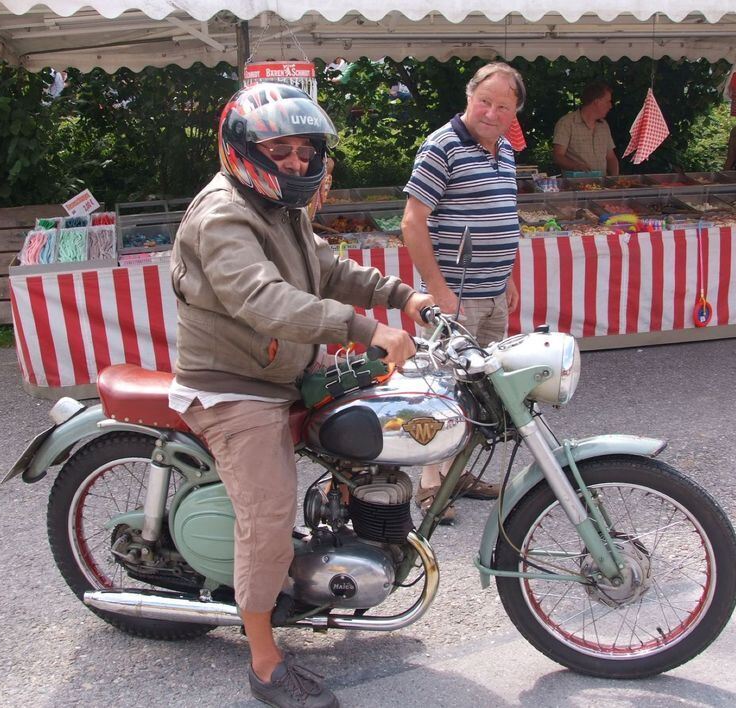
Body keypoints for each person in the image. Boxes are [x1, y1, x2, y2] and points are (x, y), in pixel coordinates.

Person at [168, 82, 433, 708]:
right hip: (235, 386)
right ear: (244, 151)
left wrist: (404, 296)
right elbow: (263, 300)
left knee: (373, 424)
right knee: (268, 520)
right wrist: (365, 328)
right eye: (279, 150)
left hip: (282, 366)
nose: (295, 162)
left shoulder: (279, 208)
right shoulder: (224, 215)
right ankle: (264, 663)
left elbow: (329, 269)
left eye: (305, 151)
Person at [401, 62, 523, 524]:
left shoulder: (506, 150)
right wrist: (438, 291)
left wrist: (509, 275)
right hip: (456, 296)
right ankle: (431, 484)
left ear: (514, 113)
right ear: (469, 97)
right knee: (445, 390)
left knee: (481, 392)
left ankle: (459, 473)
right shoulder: (442, 146)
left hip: (492, 292)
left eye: (502, 106)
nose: (491, 112)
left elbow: (503, 215)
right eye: (484, 101)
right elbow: (412, 223)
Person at [552, 81, 620, 176]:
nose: (610, 106)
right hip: (576, 186)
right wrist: (575, 166)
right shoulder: (567, 123)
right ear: (596, 102)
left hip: (602, 186)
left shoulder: (604, 125)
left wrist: (615, 180)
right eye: (607, 102)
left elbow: (611, 157)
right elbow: (558, 156)